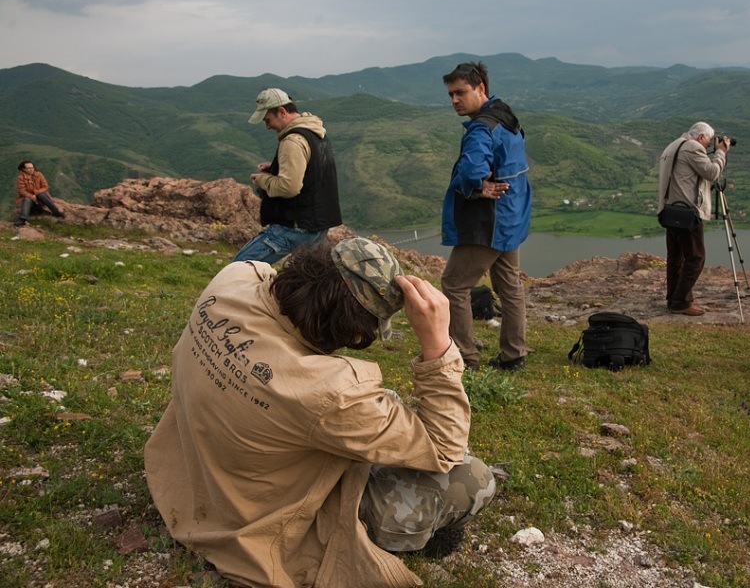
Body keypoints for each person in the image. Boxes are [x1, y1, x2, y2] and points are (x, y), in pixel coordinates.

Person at [145, 237, 495, 587]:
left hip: (190, 479)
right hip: (252, 518)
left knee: (381, 409)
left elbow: (263, 273)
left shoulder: (233, 277)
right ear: (357, 333)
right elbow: (446, 447)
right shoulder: (330, 392)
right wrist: (437, 345)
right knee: (472, 478)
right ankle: (406, 538)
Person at [439, 61, 532, 371]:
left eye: (460, 92)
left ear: (481, 89)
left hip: (487, 223)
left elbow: (470, 170)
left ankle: (465, 357)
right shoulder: (506, 116)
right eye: (450, 94)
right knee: (509, 286)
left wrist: (476, 188)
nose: (454, 100)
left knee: (454, 285)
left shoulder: (482, 127)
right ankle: (513, 355)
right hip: (511, 218)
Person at [233, 88, 342, 264]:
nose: (267, 126)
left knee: (239, 268)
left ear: (282, 111)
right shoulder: (315, 131)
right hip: (319, 223)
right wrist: (276, 167)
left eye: (267, 120)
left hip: (296, 225)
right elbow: (314, 169)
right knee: (305, 278)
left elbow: (288, 187)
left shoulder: (292, 141)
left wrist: (262, 180)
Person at [657, 122, 730, 315]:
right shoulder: (693, 147)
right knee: (695, 258)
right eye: (708, 142)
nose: (707, 147)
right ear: (700, 138)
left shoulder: (674, 145)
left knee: (676, 257)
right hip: (687, 213)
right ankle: (681, 302)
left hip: (670, 210)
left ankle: (673, 298)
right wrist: (721, 152)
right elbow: (713, 172)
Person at [14, 160, 65, 226]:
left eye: (32, 167)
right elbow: (22, 191)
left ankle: (56, 212)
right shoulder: (21, 178)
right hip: (29, 201)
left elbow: (45, 186)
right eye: (28, 168)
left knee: (41, 194)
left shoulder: (39, 175)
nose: (31, 169)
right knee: (27, 198)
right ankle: (23, 219)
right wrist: (31, 196)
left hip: (40, 198)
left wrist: (36, 193)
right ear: (24, 169)